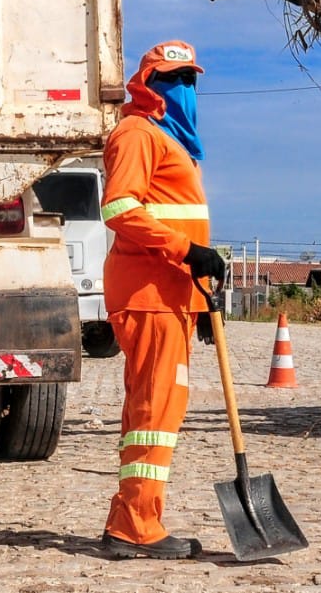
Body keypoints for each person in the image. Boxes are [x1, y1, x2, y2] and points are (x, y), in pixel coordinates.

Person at [97, 40, 226, 560]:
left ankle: (132, 520)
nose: (186, 89)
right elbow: (120, 209)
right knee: (155, 410)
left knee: (154, 410)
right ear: (148, 84)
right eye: (175, 79)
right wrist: (187, 249)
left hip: (170, 297)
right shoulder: (137, 135)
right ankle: (135, 527)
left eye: (192, 79)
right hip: (147, 296)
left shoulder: (171, 141)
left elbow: (173, 219)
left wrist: (197, 299)